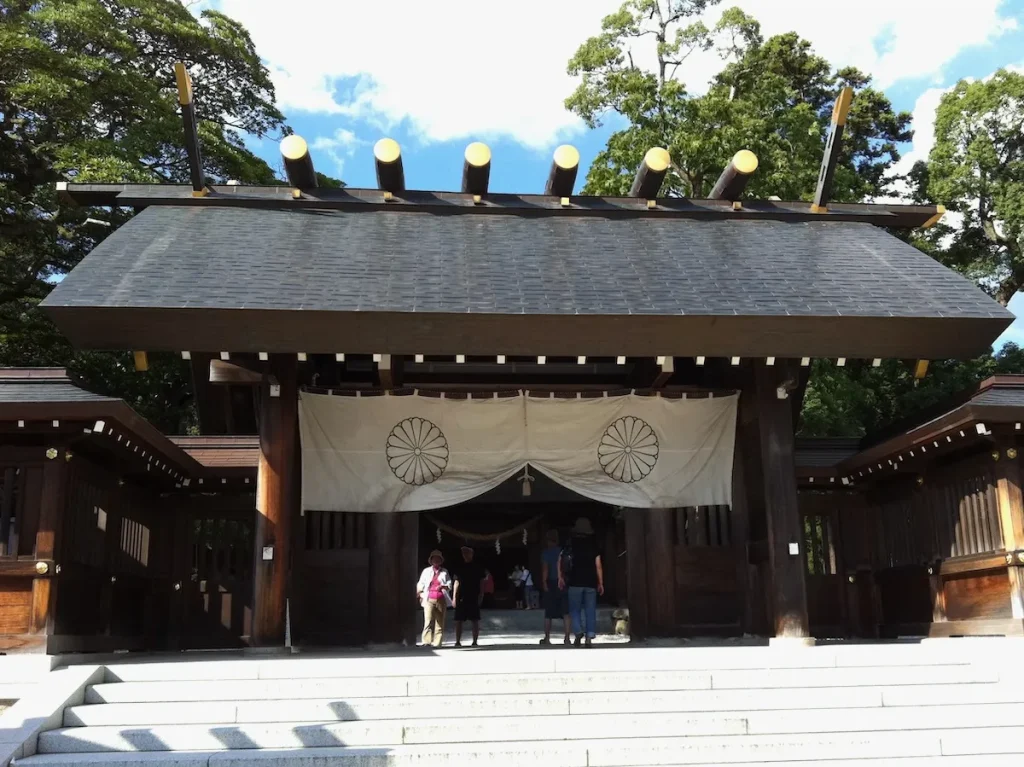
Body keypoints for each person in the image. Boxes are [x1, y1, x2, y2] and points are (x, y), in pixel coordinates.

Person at [559, 517, 604, 648]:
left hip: (574, 581)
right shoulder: (593, 545)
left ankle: (578, 631)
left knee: (574, 609)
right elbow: (598, 565)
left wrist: (562, 576)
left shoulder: (570, 544)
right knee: (590, 610)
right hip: (590, 581)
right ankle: (589, 636)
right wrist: (600, 582)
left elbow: (562, 561)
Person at [416, 549, 452, 648]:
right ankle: (426, 641)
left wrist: (444, 586)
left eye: (438, 559)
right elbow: (421, 583)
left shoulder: (444, 572)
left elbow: (449, 584)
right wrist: (419, 593)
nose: (436, 560)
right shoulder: (426, 571)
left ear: (441, 561)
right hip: (429, 597)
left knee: (440, 621)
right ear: (431, 560)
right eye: (434, 559)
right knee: (428, 620)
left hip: (441, 598)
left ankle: (437, 642)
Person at [540, 529, 570, 645]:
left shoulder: (546, 553)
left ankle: (547, 637)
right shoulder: (563, 552)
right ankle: (567, 638)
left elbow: (545, 569)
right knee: (566, 611)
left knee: (548, 612)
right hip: (564, 583)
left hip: (552, 582)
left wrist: (544, 582)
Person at [452, 545, 484, 647]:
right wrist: (454, 598)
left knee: (475, 620)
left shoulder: (478, 567)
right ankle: (457, 641)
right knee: (459, 620)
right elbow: (456, 582)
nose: (465, 555)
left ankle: (475, 641)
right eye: (464, 553)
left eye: (468, 552)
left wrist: (481, 595)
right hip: (461, 596)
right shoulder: (459, 567)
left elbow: (481, 582)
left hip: (473, 595)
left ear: (472, 554)